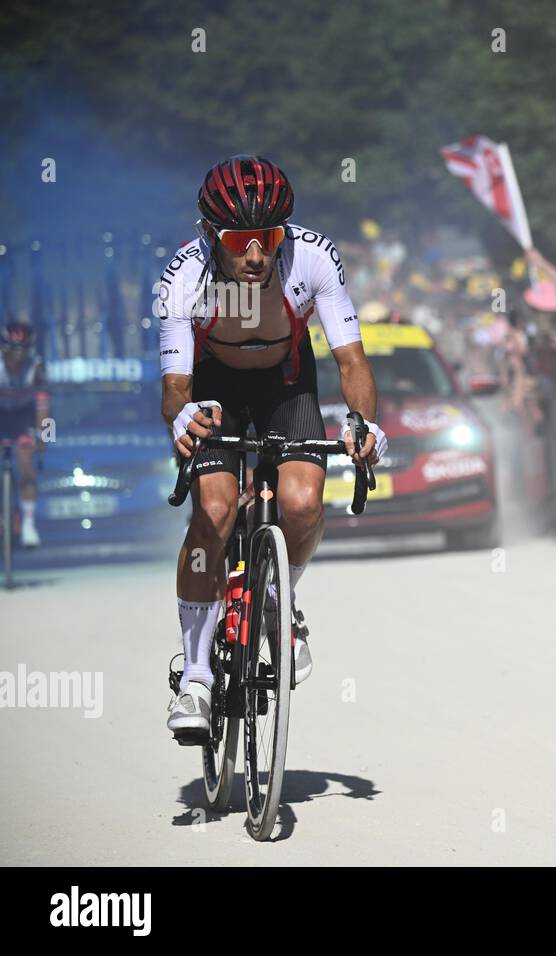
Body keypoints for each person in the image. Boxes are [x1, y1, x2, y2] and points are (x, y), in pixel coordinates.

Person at [161, 155, 386, 739]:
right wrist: (182, 418)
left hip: (287, 383)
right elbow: (176, 388)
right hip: (214, 389)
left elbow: (351, 359)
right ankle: (196, 676)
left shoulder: (313, 257)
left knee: (304, 502)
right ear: (211, 235)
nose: (257, 254)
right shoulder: (182, 277)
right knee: (213, 510)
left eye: (268, 237)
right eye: (240, 241)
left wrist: (362, 422)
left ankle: (280, 598)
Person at [0, 322, 47, 547]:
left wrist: (45, 439)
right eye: (12, 350)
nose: (17, 357)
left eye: (22, 351)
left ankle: (28, 523)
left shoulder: (36, 367)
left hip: (24, 418)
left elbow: (44, 409)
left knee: (26, 460)